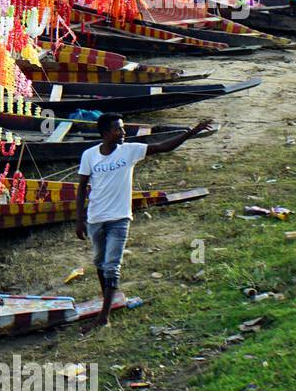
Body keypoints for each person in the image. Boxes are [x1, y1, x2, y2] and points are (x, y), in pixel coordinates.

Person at [76, 113, 215, 331]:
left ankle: (104, 317)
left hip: (120, 218)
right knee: (100, 264)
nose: (122, 133)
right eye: (117, 129)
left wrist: (192, 132)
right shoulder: (89, 156)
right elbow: (82, 187)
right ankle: (109, 301)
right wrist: (79, 219)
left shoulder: (129, 151)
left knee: (112, 266)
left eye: (122, 129)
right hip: (95, 219)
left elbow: (163, 147)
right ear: (104, 134)